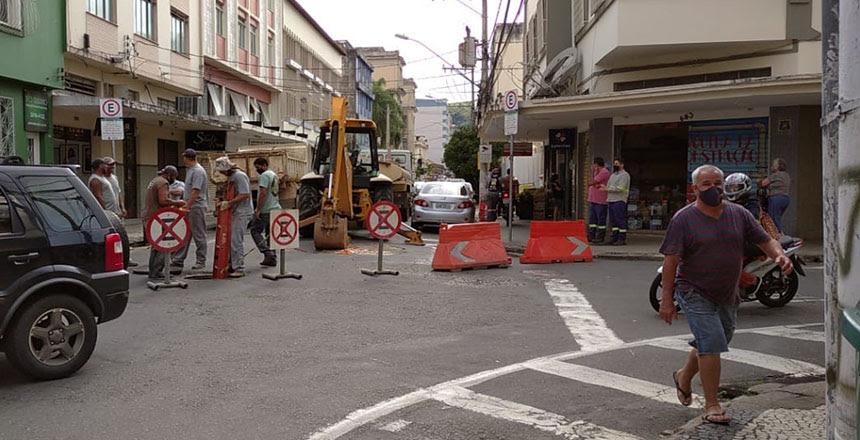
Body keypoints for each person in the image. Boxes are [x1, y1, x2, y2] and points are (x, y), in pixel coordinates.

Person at [659, 164, 792, 425]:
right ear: (695, 188)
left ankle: (684, 375)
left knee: (719, 337)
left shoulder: (739, 214)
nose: (713, 188)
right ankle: (712, 404)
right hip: (693, 290)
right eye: (706, 184)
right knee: (711, 343)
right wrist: (666, 299)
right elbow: (671, 261)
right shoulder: (683, 219)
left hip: (728, 292)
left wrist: (779, 255)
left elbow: (765, 240)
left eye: (717, 183)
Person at [142, 167, 186, 281]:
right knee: (163, 245)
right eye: (174, 177)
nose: (174, 179)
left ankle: (154, 272)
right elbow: (163, 201)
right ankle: (156, 272)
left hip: (149, 216)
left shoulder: (155, 180)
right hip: (156, 217)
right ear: (170, 175)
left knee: (156, 245)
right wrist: (177, 203)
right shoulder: (163, 182)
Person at [214, 156, 253, 278]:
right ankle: (233, 264)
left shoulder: (239, 176)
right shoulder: (232, 177)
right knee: (231, 240)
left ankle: (239, 268)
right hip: (236, 211)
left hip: (242, 212)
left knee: (236, 240)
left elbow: (244, 194)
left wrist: (229, 203)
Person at [172, 149, 209, 272]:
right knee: (184, 233)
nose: (183, 160)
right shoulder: (191, 170)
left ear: (188, 158)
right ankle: (178, 259)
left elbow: (196, 191)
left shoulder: (198, 171)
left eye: (184, 158)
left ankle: (201, 261)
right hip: (191, 206)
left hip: (196, 206)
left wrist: (188, 205)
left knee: (199, 234)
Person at [250, 157, 280, 267]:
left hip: (266, 209)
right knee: (270, 233)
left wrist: (258, 209)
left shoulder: (264, 176)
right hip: (276, 208)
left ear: (264, 165)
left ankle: (267, 253)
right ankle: (272, 257)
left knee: (255, 230)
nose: (257, 169)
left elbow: (263, 193)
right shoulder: (273, 175)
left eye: (258, 167)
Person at [759, 158, 791, 233]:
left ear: (778, 166)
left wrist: (759, 180)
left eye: (774, 164)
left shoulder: (775, 175)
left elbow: (762, 184)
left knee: (773, 219)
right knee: (777, 217)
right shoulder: (786, 175)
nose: (772, 166)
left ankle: (779, 235)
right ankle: (777, 234)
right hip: (785, 199)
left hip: (776, 198)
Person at [606, 158, 630, 245]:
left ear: (622, 165)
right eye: (614, 164)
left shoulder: (624, 175)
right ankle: (614, 237)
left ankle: (622, 238)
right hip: (611, 199)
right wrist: (606, 188)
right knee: (613, 221)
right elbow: (608, 185)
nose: (615, 165)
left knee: (620, 219)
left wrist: (608, 189)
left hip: (619, 200)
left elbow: (621, 188)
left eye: (617, 164)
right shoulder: (613, 175)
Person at [587, 157, 610, 244]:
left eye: (594, 164)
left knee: (601, 219)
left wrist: (591, 172)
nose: (593, 166)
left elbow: (591, 182)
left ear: (597, 164)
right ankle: (591, 235)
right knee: (592, 219)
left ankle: (600, 236)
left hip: (601, 200)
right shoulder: (596, 172)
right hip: (593, 199)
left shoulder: (604, 172)